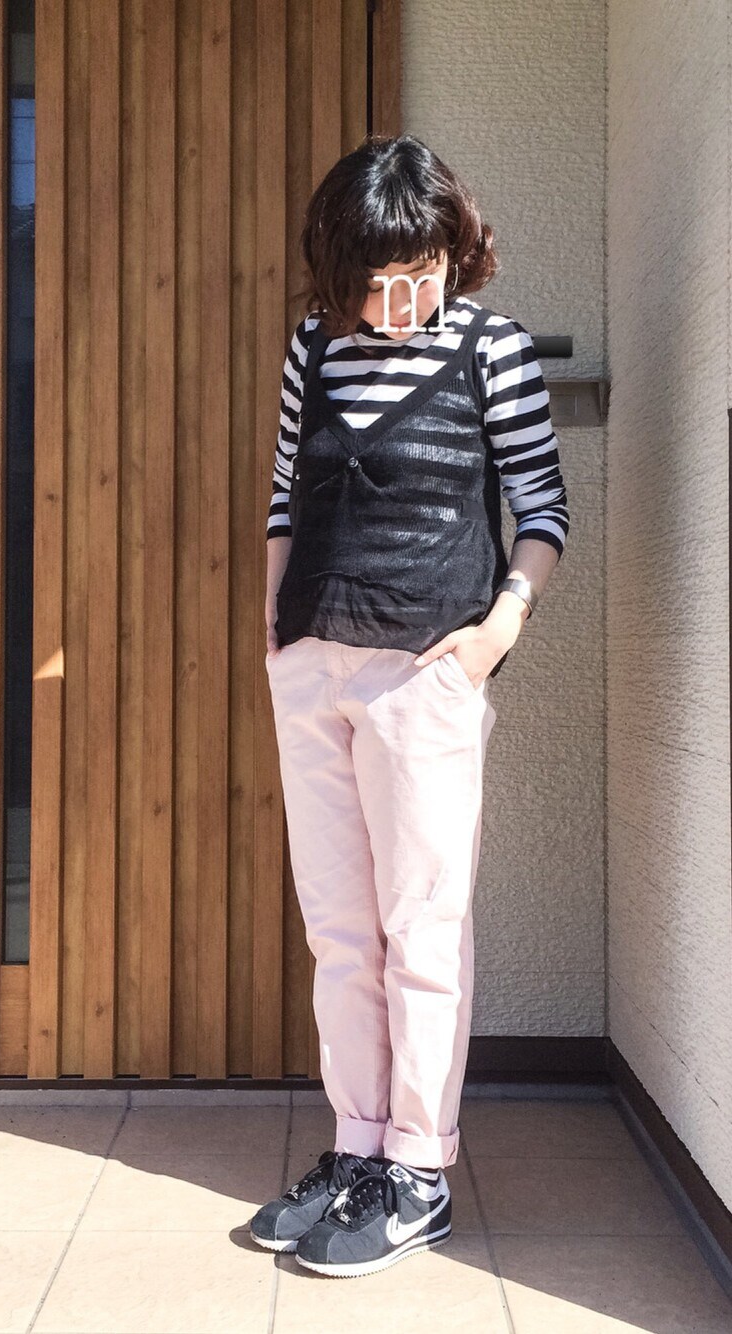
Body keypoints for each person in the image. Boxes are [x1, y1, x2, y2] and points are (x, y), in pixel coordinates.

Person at [248, 134, 569, 1279]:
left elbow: (540, 505)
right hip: (313, 661)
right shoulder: (314, 347)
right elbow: (285, 494)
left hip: (427, 670)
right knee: (338, 927)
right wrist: (275, 628)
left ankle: (419, 1168)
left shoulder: (491, 349)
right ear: (339, 272)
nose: (398, 301)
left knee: (421, 926)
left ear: (452, 255)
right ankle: (357, 1146)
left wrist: (493, 637)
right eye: (377, 280)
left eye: (419, 274)